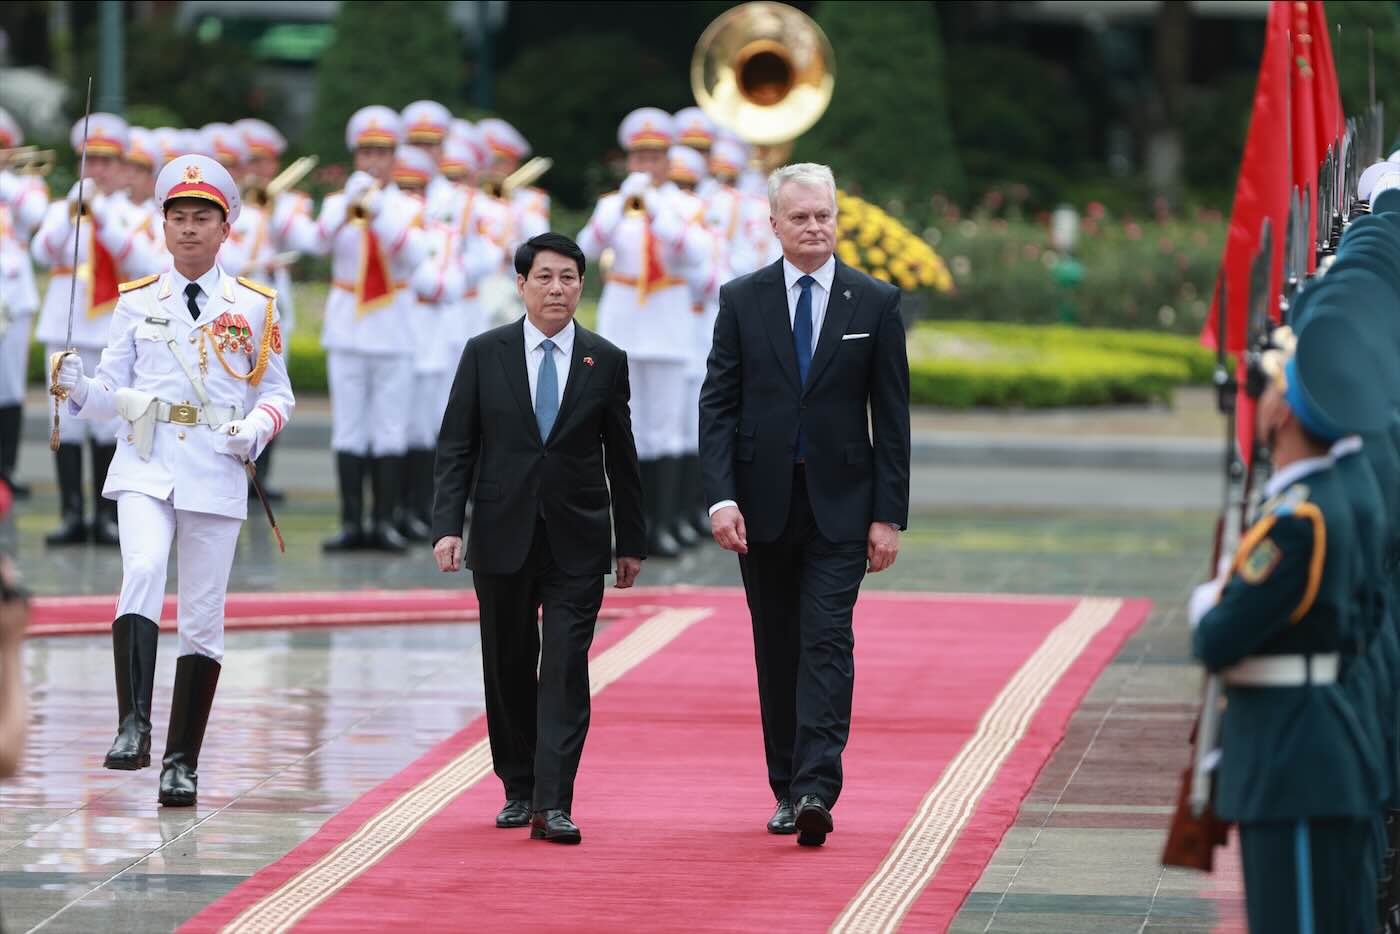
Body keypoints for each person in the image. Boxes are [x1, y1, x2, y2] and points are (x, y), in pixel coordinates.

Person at [53, 154, 295, 807]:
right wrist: (78, 388)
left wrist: (255, 429)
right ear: (162, 226)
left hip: (215, 465)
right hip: (146, 458)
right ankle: (133, 725)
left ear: (225, 228)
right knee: (141, 567)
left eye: (202, 218)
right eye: (178, 217)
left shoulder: (254, 306)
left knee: (202, 617)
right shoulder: (136, 301)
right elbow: (110, 392)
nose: (188, 228)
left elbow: (278, 393)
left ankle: (181, 762)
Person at [699, 162, 911, 847]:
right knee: (777, 645)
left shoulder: (874, 302)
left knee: (826, 638)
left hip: (842, 505)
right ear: (775, 225)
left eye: (824, 215)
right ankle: (786, 787)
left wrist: (888, 514)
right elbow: (718, 405)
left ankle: (817, 787)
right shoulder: (742, 299)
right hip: (761, 505)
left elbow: (892, 418)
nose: (815, 227)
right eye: (801, 217)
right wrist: (721, 498)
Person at [432, 232, 646, 845]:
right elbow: (457, 446)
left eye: (569, 278)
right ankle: (518, 786)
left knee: (565, 668)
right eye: (545, 277)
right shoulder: (485, 353)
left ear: (582, 285)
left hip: (578, 536)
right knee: (507, 663)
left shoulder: (605, 359)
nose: (557, 289)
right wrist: (448, 526)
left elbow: (623, 456)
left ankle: (554, 802)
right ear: (521, 284)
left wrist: (630, 540)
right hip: (501, 532)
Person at [1189, 310, 1393, 933]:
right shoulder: (1332, 497)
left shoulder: (1299, 522)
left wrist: (1211, 601)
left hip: (1295, 762)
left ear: (1283, 414)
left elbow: (1216, 638)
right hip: (1319, 747)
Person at [288, 106, 427, 553]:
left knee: (389, 428)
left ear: (395, 157)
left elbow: (414, 255)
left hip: (393, 326)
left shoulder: (408, 206)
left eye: (382, 153)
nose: (373, 161)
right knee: (349, 428)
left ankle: (384, 522)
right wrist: (346, 208)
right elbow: (316, 243)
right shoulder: (337, 203)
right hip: (348, 325)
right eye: (366, 152)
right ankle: (351, 522)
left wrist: (379, 212)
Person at [578, 108, 709, 558]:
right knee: (623, 430)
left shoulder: (685, 206)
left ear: (668, 161)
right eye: (639, 158)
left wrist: (654, 208)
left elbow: (694, 254)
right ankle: (628, 528)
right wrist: (620, 209)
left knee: (666, 429)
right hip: (625, 324)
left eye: (654, 158)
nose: (645, 166)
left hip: (668, 324)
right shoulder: (612, 205)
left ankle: (663, 524)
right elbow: (586, 249)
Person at [32, 113, 138, 546]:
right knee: (66, 424)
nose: (97, 169)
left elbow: (139, 259)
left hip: (111, 329)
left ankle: (106, 515)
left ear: (121, 166)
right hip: (66, 328)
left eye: (105, 161)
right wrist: (70, 213)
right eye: (90, 160)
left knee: (108, 423)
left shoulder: (132, 213)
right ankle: (72, 513)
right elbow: (42, 252)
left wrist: (104, 218)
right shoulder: (61, 209)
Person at [0, 108, 49, 499]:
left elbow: (36, 215)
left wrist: (5, 179)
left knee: (10, 384)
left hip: (12, 297)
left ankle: (6, 468)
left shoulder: (26, 183)